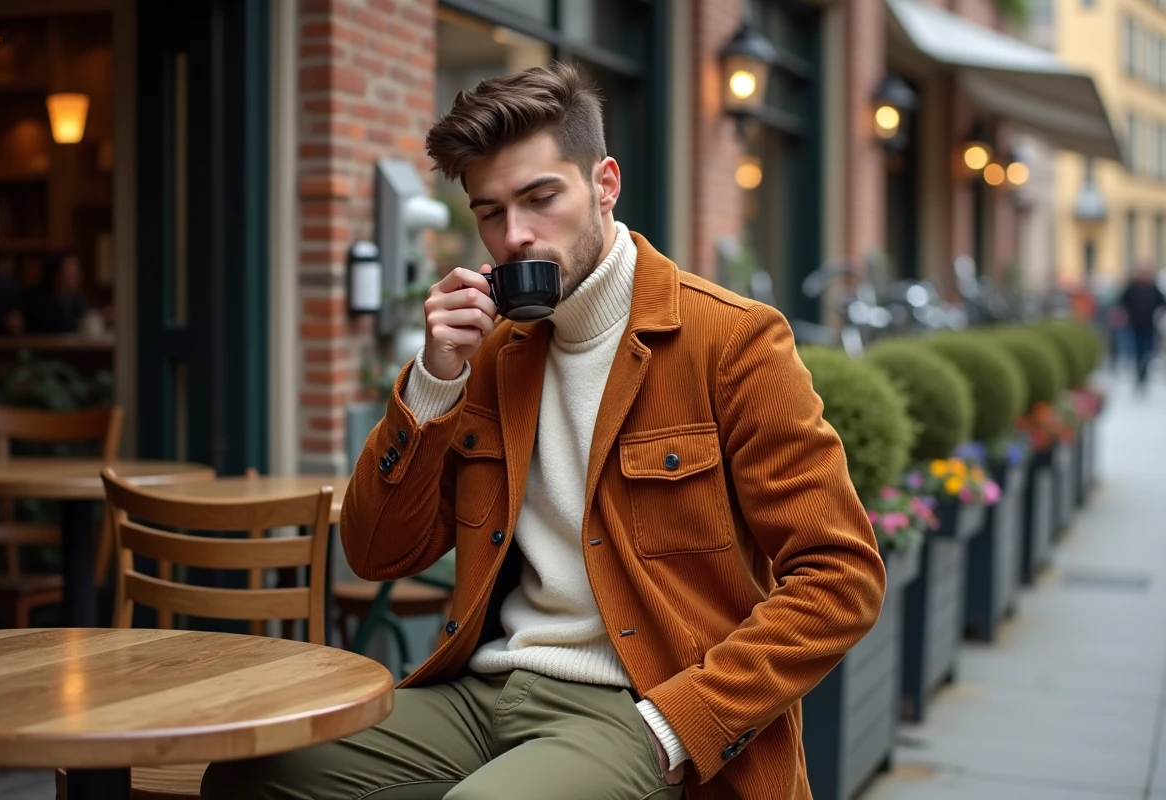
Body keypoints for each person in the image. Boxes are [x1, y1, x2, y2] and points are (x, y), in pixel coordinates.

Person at [202, 63, 886, 800]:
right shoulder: (493, 355)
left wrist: (679, 723)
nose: (515, 235)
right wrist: (435, 379)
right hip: (484, 690)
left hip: (638, 706)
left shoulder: (732, 342)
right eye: (490, 212)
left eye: (540, 198)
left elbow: (839, 578)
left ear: (605, 184)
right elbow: (375, 552)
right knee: (252, 775)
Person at [1120, 263, 1166, 390]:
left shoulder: (1153, 288)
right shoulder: (1132, 288)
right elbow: (1122, 302)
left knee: (1148, 351)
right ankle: (1139, 374)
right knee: (1138, 351)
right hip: (1135, 325)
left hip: (1149, 325)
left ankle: (1144, 372)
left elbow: (1162, 302)